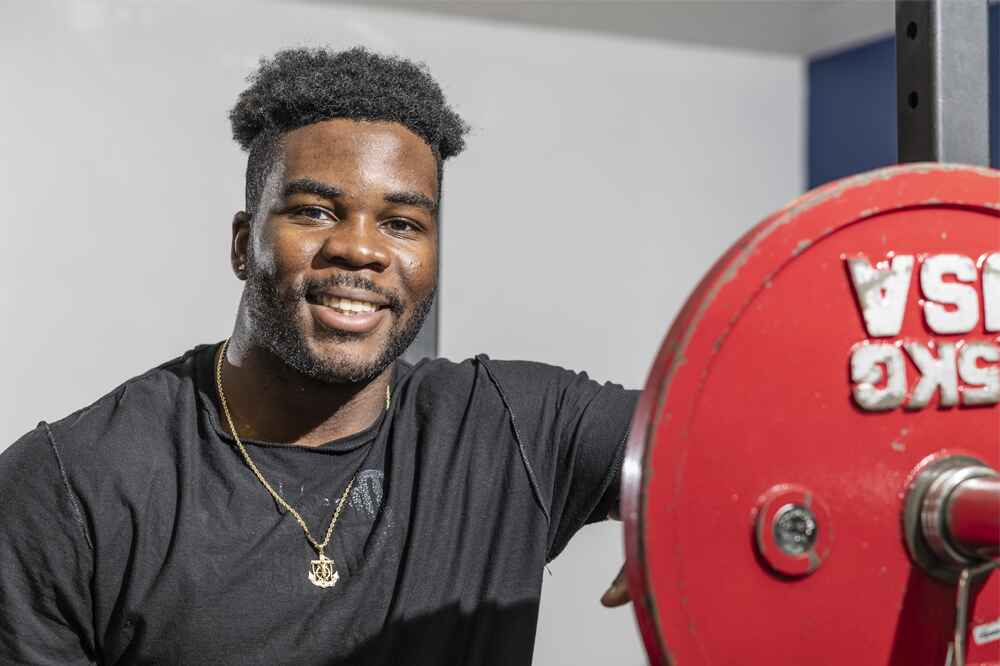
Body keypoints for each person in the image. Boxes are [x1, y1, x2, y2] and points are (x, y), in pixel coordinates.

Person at [0, 47, 635, 665]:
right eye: (315, 212)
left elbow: (700, 440)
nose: (360, 249)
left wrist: (685, 518)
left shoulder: (520, 429)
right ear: (244, 245)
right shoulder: (71, 484)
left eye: (402, 223)